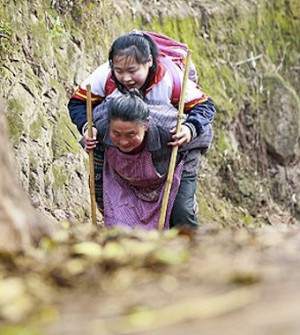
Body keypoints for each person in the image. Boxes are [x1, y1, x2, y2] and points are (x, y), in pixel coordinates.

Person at [68, 29, 216, 228]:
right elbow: (78, 103)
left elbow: (205, 106)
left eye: (132, 71)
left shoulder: (172, 81)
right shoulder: (105, 76)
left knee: (181, 211)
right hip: (121, 151)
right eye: (119, 71)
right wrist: (87, 127)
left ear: (149, 62)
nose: (126, 78)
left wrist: (190, 129)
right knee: (109, 203)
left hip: (174, 147)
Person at [93, 90, 213, 230]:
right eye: (116, 134)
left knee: (181, 214)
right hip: (126, 173)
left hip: (171, 167)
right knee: (119, 221)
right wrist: (88, 134)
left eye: (131, 134)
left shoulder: (169, 128)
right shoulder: (100, 126)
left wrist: (189, 131)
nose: (123, 141)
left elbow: (205, 134)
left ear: (146, 125)